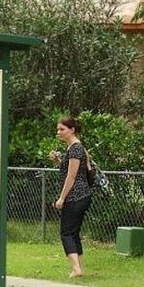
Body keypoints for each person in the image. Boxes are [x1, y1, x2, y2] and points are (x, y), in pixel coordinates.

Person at [49, 116, 92, 278]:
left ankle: (76, 269)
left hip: (76, 196)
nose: (58, 132)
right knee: (73, 232)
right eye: (58, 129)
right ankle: (79, 267)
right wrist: (59, 161)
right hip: (82, 195)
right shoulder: (75, 148)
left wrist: (61, 198)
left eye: (62, 129)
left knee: (66, 233)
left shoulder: (75, 148)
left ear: (72, 130)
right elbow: (79, 168)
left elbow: (72, 176)